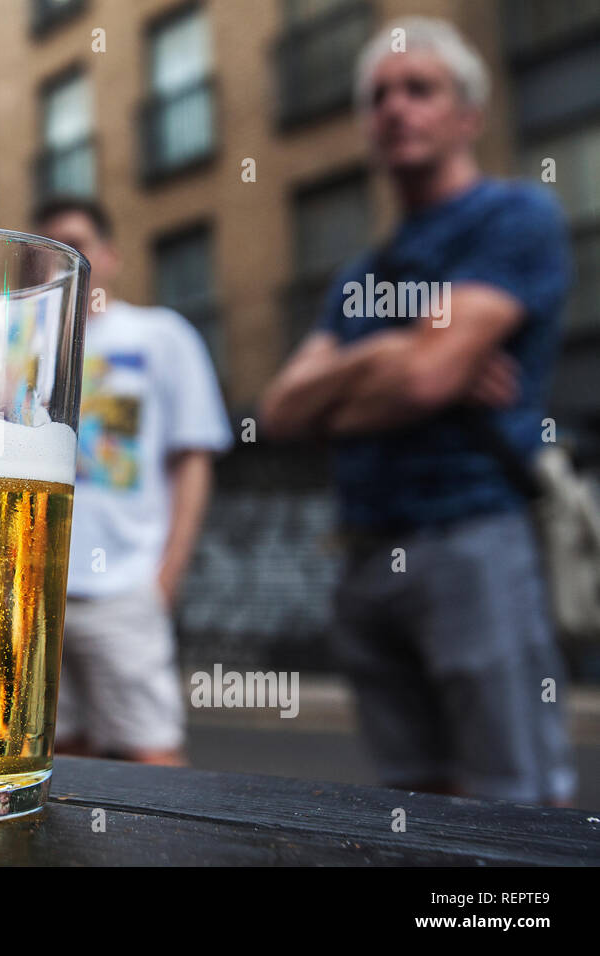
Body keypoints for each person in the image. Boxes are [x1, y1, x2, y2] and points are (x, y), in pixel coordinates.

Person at [260, 18, 576, 804]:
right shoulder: (358, 275)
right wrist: (395, 354)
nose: (395, 108)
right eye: (378, 96)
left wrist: (353, 371)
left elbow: (428, 380)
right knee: (412, 804)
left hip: (471, 541)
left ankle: (509, 928)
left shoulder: (512, 219)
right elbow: (279, 413)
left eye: (419, 89)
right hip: (363, 555)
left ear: (468, 114)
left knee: (518, 804)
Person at [37, 198, 232, 766]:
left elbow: (192, 458)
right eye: (49, 249)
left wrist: (164, 578)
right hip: (33, 592)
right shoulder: (13, 347)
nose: (65, 260)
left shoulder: (160, 335)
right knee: (59, 760)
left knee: (151, 756)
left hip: (122, 586)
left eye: (77, 243)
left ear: (110, 256)